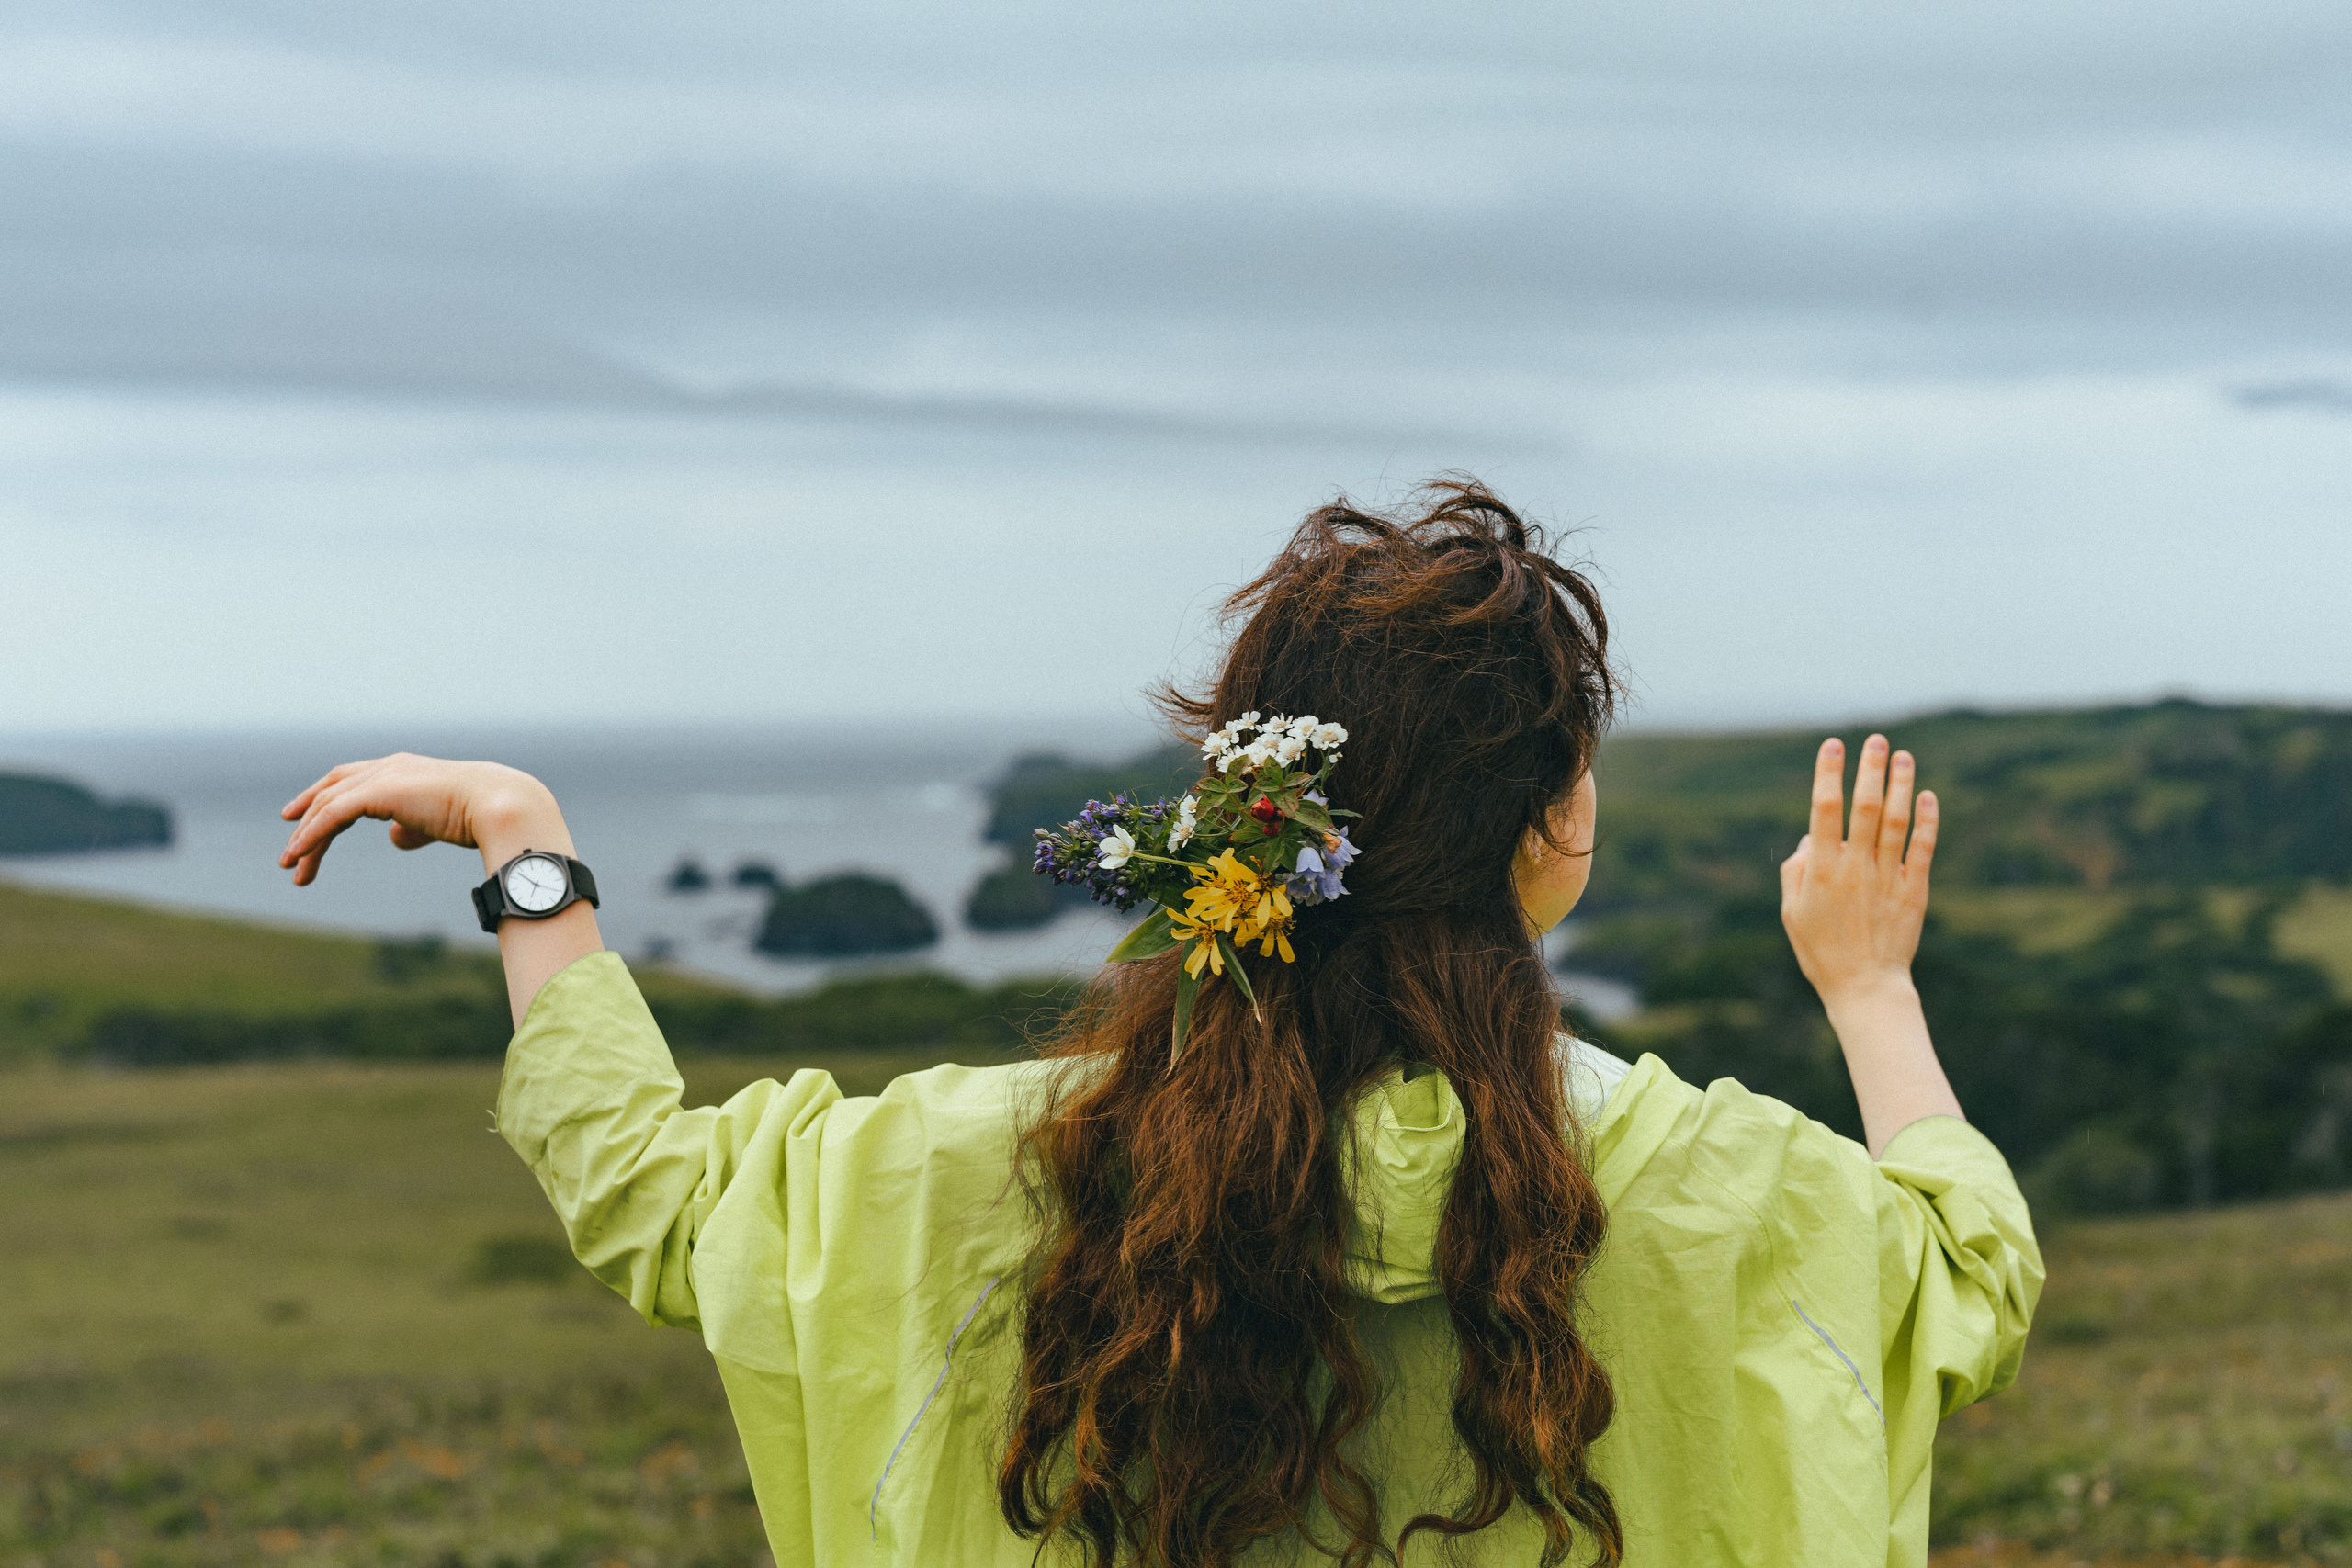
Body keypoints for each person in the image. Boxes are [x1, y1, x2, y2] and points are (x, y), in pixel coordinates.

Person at [277, 483, 2040, 1567]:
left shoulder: (990, 1166)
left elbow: (650, 1193)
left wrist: (524, 848)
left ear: (1245, 808)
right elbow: (1967, 1274)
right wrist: (1869, 985)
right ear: (1556, 813)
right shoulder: (1743, 1196)